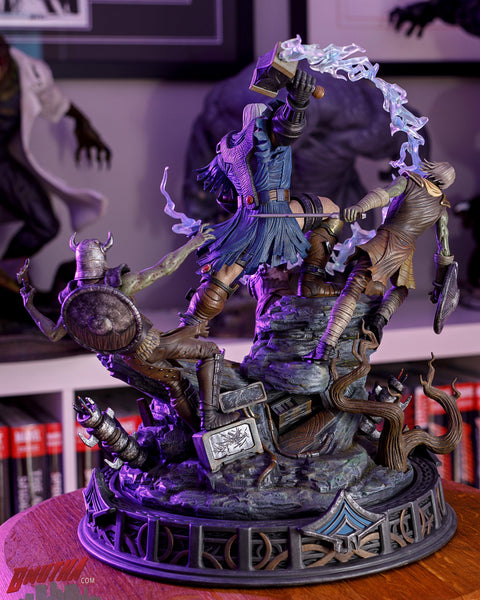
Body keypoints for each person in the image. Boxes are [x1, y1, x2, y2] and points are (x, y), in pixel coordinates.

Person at [19, 227, 240, 431]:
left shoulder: (73, 300)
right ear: (103, 259)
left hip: (132, 358)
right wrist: (193, 243)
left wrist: (29, 306)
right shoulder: (121, 285)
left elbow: (53, 334)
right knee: (210, 351)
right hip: (151, 345)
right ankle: (210, 418)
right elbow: (164, 268)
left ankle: (197, 431)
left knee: (175, 384)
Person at [180, 69, 343, 329]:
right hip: (276, 215)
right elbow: (288, 128)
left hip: (244, 219)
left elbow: (224, 197)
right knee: (331, 211)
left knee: (223, 278)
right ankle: (311, 281)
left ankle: (189, 324)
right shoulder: (267, 137)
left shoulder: (226, 148)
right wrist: (298, 102)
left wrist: (245, 203)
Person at [309, 159, 456, 362]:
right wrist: (439, 284)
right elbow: (444, 248)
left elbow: (383, 195)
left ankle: (326, 344)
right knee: (401, 289)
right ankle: (380, 319)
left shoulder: (410, 181)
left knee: (354, 286)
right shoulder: (441, 208)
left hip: (386, 239)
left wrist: (360, 207)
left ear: (433, 170)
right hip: (405, 251)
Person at [0, 35, 110, 287]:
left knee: (45, 223)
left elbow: (56, 102)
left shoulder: (29, 73)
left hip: (2, 162)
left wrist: (82, 123)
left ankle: (8, 277)